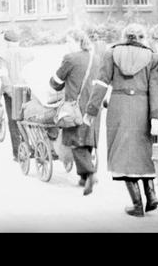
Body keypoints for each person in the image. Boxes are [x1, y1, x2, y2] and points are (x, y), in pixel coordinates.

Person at [84, 24, 158, 216]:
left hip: (119, 106)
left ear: (124, 36)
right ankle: (151, 196)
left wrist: (91, 110)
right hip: (143, 106)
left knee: (122, 152)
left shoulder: (111, 54)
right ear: (142, 37)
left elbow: (101, 83)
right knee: (144, 150)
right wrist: (156, 117)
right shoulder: (152, 57)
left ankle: (137, 206)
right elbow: (155, 89)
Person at [49, 29, 100, 196]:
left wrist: (58, 83)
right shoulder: (97, 59)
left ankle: (90, 173)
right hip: (93, 106)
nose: (67, 45)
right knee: (88, 139)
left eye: (68, 41)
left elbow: (56, 82)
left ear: (77, 42)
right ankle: (84, 177)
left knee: (76, 142)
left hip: (75, 107)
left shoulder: (71, 58)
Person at [0, 30, 33, 162]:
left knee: (14, 122)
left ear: (6, 42)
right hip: (28, 89)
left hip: (13, 91)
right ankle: (29, 146)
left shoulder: (3, 55)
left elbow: (3, 74)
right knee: (28, 119)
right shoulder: (27, 53)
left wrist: (9, 92)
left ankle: (18, 152)